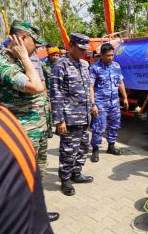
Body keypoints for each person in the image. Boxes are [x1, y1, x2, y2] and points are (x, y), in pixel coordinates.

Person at [0, 20, 59, 221]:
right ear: (22, 39)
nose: (37, 48)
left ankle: (36, 211)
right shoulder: (3, 65)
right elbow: (36, 87)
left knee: (38, 174)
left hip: (37, 130)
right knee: (21, 178)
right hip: (23, 134)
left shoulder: (23, 62)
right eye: (34, 43)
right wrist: (24, 57)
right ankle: (20, 219)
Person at [0, 103, 53, 234]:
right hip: (28, 127)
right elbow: (36, 87)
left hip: (39, 123)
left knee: (37, 178)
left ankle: (41, 209)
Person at [50, 33, 93, 196]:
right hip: (69, 118)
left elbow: (88, 88)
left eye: (85, 49)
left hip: (84, 116)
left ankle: (76, 173)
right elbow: (56, 93)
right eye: (81, 49)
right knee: (68, 150)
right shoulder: (60, 65)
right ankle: (65, 179)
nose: (84, 52)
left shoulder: (84, 65)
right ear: (72, 45)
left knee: (83, 147)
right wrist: (59, 119)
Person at [89, 43, 129, 162]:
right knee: (99, 127)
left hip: (114, 102)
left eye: (112, 55)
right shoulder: (95, 68)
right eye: (108, 55)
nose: (110, 58)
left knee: (114, 124)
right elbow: (90, 86)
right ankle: (95, 149)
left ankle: (111, 146)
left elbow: (120, 83)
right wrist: (93, 104)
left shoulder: (116, 66)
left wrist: (125, 97)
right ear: (101, 54)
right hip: (100, 103)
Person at [42, 47, 60, 138]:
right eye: (54, 55)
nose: (56, 57)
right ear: (49, 56)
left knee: (58, 109)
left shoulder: (60, 65)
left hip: (58, 91)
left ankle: (58, 127)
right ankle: (49, 128)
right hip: (48, 91)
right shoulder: (43, 65)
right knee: (48, 111)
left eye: (57, 55)